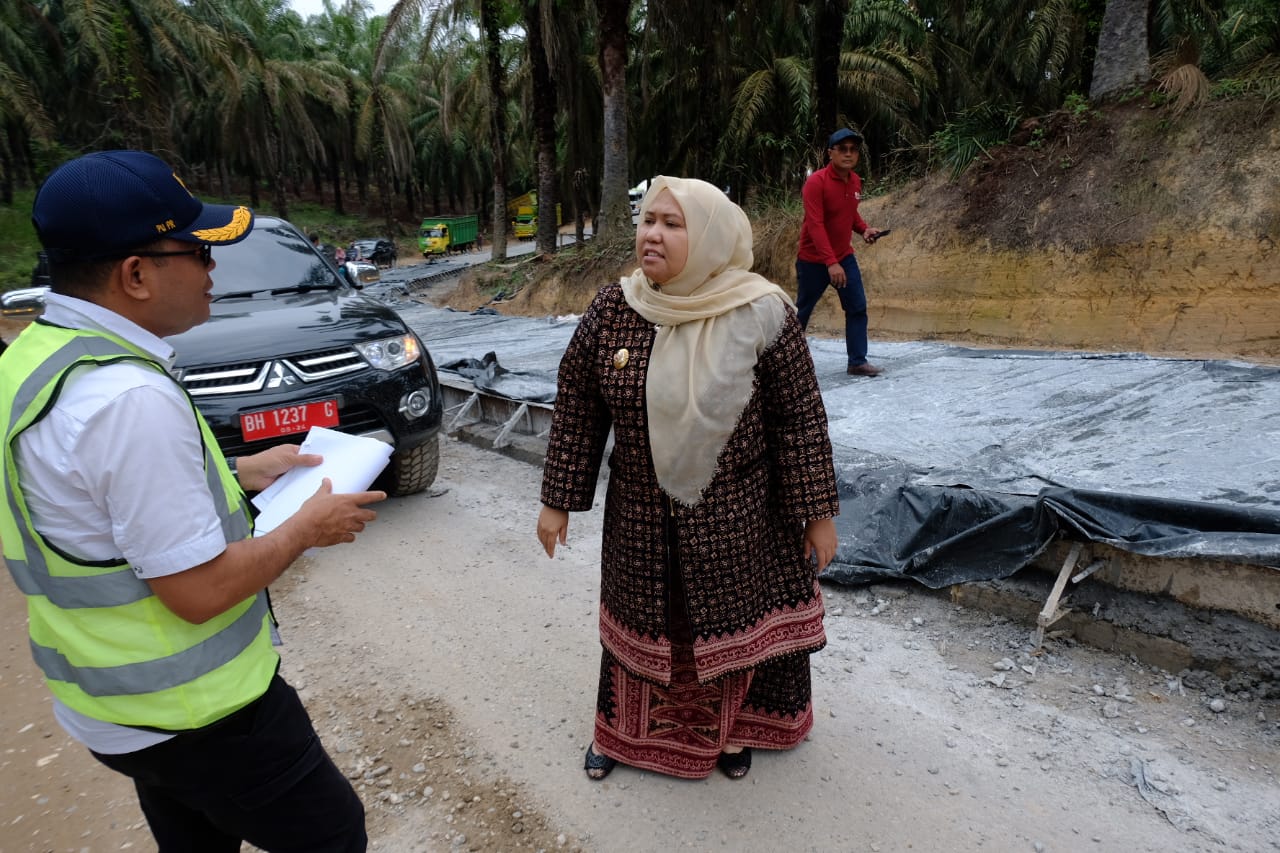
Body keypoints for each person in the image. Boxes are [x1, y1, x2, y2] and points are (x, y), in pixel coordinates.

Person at [0, 150, 385, 852]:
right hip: (201, 713)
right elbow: (199, 589)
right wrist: (306, 526)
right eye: (197, 250)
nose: (212, 268)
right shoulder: (128, 399)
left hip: (117, 710)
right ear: (136, 274)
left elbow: (95, 502)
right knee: (334, 836)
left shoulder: (35, 357)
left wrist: (239, 471)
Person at [536, 176, 840, 782]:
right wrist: (558, 503)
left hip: (738, 517)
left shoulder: (762, 312)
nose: (653, 234)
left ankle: (733, 733)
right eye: (649, 221)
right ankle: (623, 736)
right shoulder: (614, 310)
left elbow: (798, 418)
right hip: (641, 519)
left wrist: (818, 514)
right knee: (641, 624)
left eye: (672, 224)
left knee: (731, 625)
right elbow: (578, 408)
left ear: (706, 236)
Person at [796, 127, 887, 377]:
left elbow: (849, 214)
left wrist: (864, 230)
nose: (849, 154)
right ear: (830, 153)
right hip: (814, 260)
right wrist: (830, 262)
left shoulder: (855, 181)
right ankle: (785, 365)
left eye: (853, 150)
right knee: (801, 312)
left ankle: (857, 362)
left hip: (843, 256)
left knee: (857, 307)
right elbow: (815, 224)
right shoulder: (816, 182)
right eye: (843, 149)